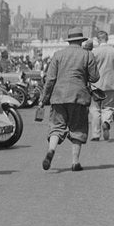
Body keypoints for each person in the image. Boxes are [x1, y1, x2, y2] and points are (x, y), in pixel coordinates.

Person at [41, 28, 100, 171]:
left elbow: (50, 79)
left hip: (58, 96)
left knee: (56, 126)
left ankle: (51, 151)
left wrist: (44, 99)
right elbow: (95, 77)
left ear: (69, 41)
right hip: (78, 97)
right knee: (77, 128)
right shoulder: (88, 55)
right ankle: (75, 162)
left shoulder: (57, 55)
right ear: (81, 41)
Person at [90, 31, 114, 140]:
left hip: (96, 85)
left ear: (98, 39)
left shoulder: (94, 52)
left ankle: (95, 134)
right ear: (107, 39)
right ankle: (106, 121)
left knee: (95, 109)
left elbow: (90, 69)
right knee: (108, 107)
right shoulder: (113, 51)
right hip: (110, 84)